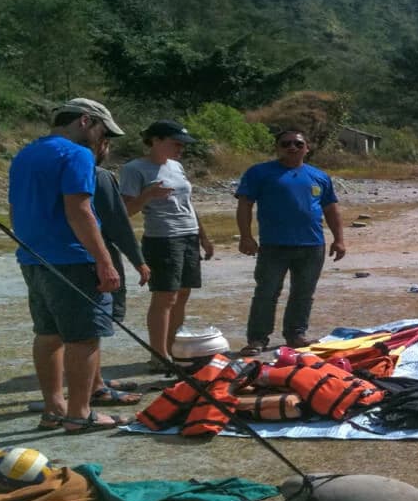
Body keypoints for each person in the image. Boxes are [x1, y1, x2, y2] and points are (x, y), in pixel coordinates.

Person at [9, 98, 130, 432]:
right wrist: (104, 261)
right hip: (73, 258)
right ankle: (80, 414)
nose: (101, 138)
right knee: (84, 338)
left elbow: (16, 208)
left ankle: (54, 409)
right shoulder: (77, 154)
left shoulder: (25, 154)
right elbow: (79, 210)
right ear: (86, 121)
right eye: (102, 130)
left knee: (48, 335)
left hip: (33, 258)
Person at [236, 129, 345, 356]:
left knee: (303, 293)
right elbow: (245, 204)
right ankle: (257, 339)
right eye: (286, 144)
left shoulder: (319, 176)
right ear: (278, 147)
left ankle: (296, 334)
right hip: (274, 245)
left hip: (312, 245)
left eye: (297, 144)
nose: (292, 148)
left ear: (307, 148)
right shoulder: (260, 173)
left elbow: (330, 209)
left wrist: (339, 239)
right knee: (266, 292)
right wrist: (246, 236)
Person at [119, 120, 213, 372]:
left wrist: (203, 236)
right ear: (156, 141)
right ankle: (158, 355)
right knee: (165, 297)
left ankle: (173, 350)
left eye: (182, 145)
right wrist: (147, 195)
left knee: (182, 294)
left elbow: (188, 204)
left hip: (189, 235)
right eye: (176, 143)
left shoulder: (177, 166)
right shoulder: (134, 169)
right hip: (163, 239)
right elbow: (124, 211)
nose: (181, 149)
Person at [90, 137, 149, 404]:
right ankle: (95, 389)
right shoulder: (99, 176)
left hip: (48, 258)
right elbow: (117, 222)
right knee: (90, 326)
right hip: (94, 258)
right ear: (102, 144)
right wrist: (138, 260)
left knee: (78, 327)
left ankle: (95, 378)